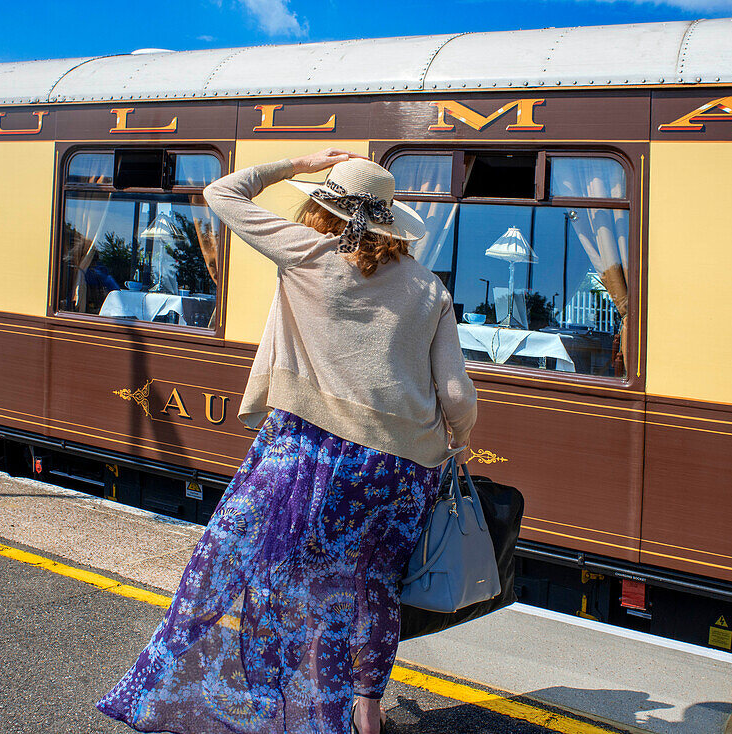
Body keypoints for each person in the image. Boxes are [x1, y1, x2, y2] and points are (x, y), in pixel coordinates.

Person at [96, 148, 477, 734]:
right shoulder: (430, 290)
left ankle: (265, 707)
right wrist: (459, 442)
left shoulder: (307, 253)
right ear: (392, 221)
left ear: (324, 207)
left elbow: (222, 193)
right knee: (370, 584)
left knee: (257, 565)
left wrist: (300, 162)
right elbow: (456, 394)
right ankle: (365, 708)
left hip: (310, 452)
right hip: (403, 469)